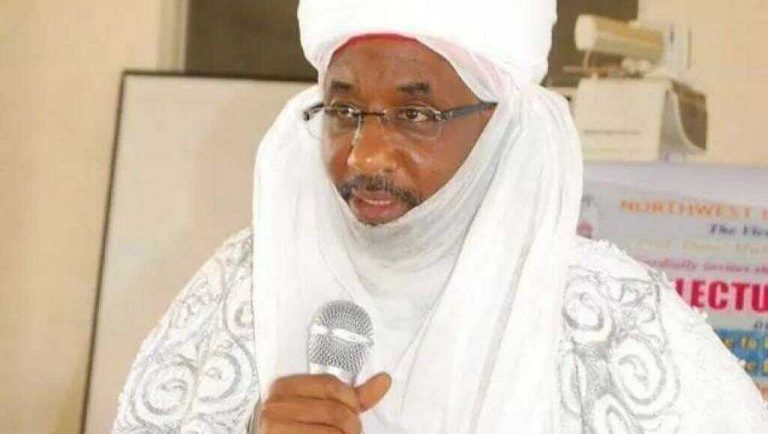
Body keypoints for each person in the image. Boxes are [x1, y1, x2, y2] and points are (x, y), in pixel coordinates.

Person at [112, 0, 768, 432]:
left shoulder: (610, 322)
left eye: (417, 115)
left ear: (503, 129)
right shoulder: (243, 287)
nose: (364, 155)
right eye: (344, 111)